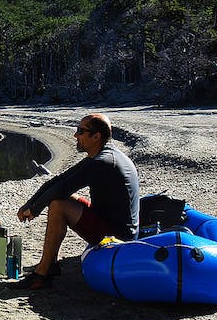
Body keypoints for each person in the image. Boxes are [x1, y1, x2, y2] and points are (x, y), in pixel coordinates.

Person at [15, 113, 139, 289]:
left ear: (96, 136)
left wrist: (34, 211)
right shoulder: (102, 156)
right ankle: (52, 265)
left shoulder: (102, 162)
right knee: (62, 199)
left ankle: (41, 274)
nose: (75, 136)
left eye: (80, 131)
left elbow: (61, 189)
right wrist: (29, 205)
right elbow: (57, 181)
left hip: (117, 236)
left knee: (59, 205)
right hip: (107, 221)